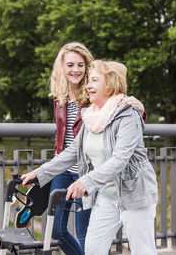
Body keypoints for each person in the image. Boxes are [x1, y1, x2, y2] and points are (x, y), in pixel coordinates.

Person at [22, 59, 158, 255]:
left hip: (133, 193)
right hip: (106, 195)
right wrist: (40, 173)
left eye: (94, 80)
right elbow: (72, 152)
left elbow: (120, 159)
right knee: (93, 250)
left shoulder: (127, 114)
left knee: (142, 251)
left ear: (110, 83)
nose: (88, 85)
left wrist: (85, 182)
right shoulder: (91, 116)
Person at [45, 42, 147, 255]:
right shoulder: (59, 97)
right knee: (56, 231)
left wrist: (137, 105)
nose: (75, 70)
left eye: (81, 65)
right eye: (70, 65)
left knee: (87, 236)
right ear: (61, 68)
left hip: (88, 171)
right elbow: (63, 136)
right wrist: (43, 172)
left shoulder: (95, 94)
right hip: (65, 169)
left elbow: (121, 108)